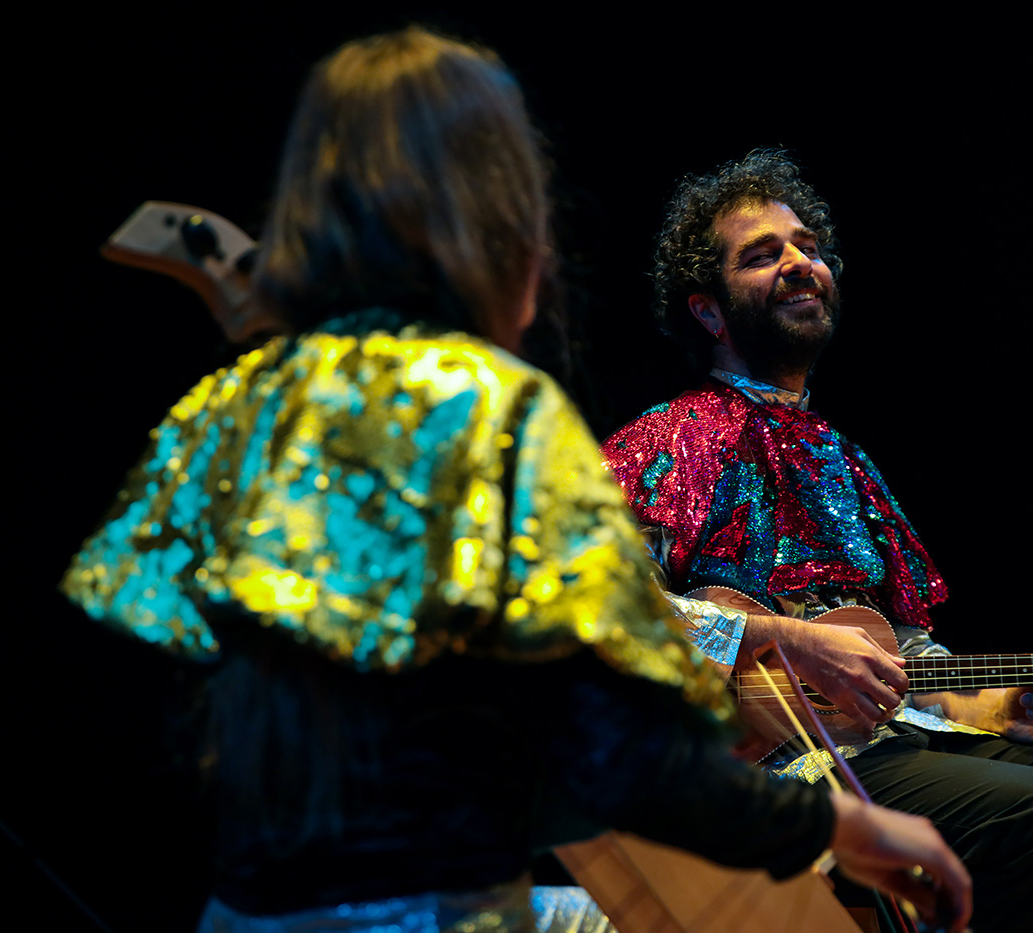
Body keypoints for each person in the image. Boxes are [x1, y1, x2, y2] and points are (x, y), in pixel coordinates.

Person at [60, 32, 970, 933]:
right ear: (498, 217)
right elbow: (622, 756)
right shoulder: (494, 409)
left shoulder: (235, 402)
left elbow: (131, 688)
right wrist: (835, 823)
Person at [602, 150, 1033, 933]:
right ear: (708, 310)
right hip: (751, 767)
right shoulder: (661, 442)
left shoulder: (844, 459)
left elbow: (896, 649)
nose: (802, 264)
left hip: (876, 742)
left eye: (808, 247)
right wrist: (785, 640)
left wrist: (999, 702)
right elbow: (599, 609)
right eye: (765, 254)